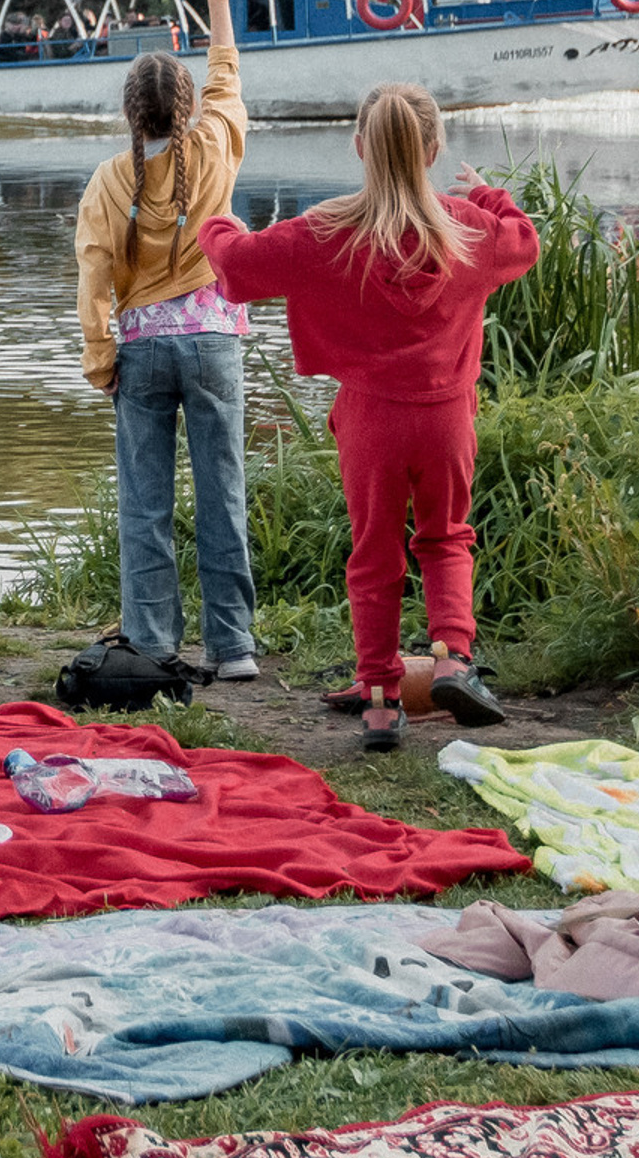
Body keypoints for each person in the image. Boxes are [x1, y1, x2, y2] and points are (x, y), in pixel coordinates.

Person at [197, 82, 539, 753]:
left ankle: (381, 702)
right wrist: (488, 195)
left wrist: (218, 221)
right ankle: (452, 659)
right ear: (433, 150)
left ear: (360, 147)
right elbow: (523, 242)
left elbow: (235, 268)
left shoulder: (326, 232)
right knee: (446, 537)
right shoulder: (469, 229)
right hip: (447, 418)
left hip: (370, 420)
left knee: (374, 553)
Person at [73, 0, 257, 680]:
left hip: (141, 355)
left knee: (144, 505)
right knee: (224, 494)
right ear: (186, 108)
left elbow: (93, 276)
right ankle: (234, 648)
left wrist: (101, 360)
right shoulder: (214, 146)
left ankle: (152, 644)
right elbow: (226, 75)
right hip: (214, 342)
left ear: (130, 113)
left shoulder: (108, 179)